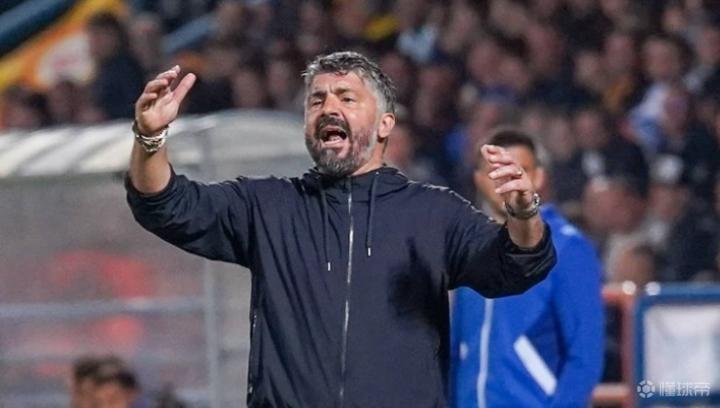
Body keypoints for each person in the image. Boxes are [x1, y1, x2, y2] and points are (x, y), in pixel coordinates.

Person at [125, 51, 556, 407]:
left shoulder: (434, 213)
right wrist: (149, 138)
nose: (328, 108)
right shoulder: (268, 206)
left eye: (347, 98)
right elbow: (165, 204)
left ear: (385, 124)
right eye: (316, 101)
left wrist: (523, 214)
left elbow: (515, 265)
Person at [451, 129, 604, 407]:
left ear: (538, 177)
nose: (507, 182)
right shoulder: (468, 247)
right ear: (478, 179)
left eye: (517, 171)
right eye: (496, 173)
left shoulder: (567, 247)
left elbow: (585, 355)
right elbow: (456, 346)